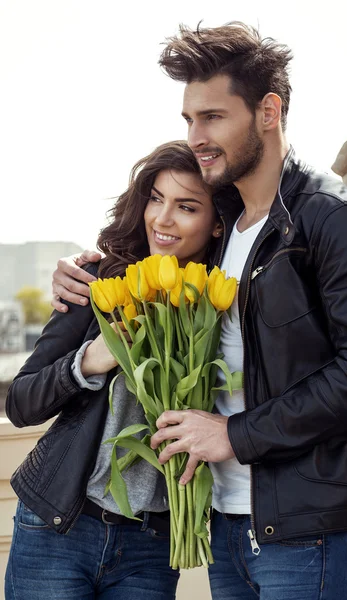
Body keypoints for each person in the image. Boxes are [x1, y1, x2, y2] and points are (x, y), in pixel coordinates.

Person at [51, 23, 347, 600]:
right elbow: (154, 241)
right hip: (228, 532)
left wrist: (236, 434)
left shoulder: (335, 219)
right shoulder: (223, 226)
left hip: (309, 537)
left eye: (212, 117)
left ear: (269, 110)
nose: (196, 137)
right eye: (189, 120)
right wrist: (78, 270)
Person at [5, 140, 223, 600]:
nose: (162, 219)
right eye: (156, 198)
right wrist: (90, 360)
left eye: (186, 206)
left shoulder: (224, 305)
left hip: (154, 543)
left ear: (218, 222)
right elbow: (20, 402)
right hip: (59, 526)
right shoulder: (101, 283)